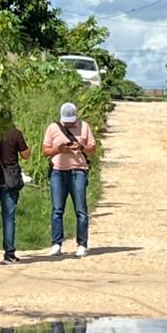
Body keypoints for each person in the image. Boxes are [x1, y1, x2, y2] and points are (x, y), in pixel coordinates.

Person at [42, 101, 96, 257]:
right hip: (58, 172)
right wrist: (59, 149)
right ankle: (56, 243)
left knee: (81, 210)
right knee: (57, 209)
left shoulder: (84, 127)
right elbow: (45, 151)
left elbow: (92, 149)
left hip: (78, 170)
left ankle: (82, 244)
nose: (69, 124)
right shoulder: (53, 128)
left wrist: (81, 147)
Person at [0, 118, 30, 264]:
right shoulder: (15, 133)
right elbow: (26, 155)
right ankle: (9, 254)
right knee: (8, 217)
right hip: (10, 182)